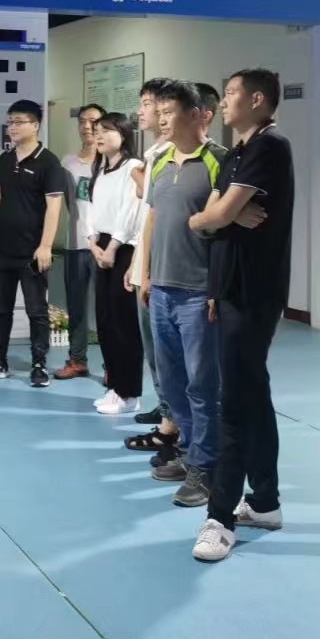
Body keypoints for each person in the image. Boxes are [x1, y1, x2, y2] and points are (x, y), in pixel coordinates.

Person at [190, 69, 294, 564]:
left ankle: (220, 519)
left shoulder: (270, 147)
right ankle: (266, 502)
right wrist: (218, 220)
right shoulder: (236, 154)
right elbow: (213, 215)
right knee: (253, 394)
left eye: (231, 93)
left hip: (255, 292)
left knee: (233, 403)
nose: (225, 101)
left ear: (256, 99)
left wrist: (214, 218)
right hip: (230, 289)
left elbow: (212, 216)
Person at [140, 81, 226, 508]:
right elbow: (153, 219)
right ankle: (191, 451)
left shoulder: (218, 161)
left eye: (169, 112)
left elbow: (226, 231)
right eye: (159, 112)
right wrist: (144, 273)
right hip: (161, 289)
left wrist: (217, 289)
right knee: (172, 384)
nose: (161, 119)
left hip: (197, 292)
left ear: (196, 115)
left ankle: (206, 467)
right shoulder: (160, 161)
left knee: (201, 385)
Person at [0, 100, 65, 389]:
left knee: (36, 311)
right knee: (0, 310)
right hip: (2, 249)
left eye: (19, 121)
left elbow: (54, 207)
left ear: (35, 125)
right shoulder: (5, 159)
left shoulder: (48, 162)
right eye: (10, 122)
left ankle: (39, 364)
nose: (12, 127)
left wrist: (45, 246)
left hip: (32, 251)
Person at [86, 113, 145, 414]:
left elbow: (130, 212)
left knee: (123, 322)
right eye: (97, 130)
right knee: (105, 320)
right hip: (102, 245)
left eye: (107, 130)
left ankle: (129, 392)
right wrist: (92, 242)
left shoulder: (132, 167)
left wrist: (111, 248)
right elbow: (93, 208)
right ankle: (114, 387)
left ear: (124, 134)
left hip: (123, 249)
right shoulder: (100, 169)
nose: (99, 135)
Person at [124, 77, 175, 426]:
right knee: (152, 345)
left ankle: (173, 416)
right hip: (145, 260)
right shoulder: (153, 152)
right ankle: (165, 404)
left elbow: (161, 209)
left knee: (165, 347)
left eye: (147, 104)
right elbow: (146, 216)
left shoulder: (171, 154)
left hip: (162, 266)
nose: (141, 111)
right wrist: (136, 262)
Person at [55, 103, 104, 380]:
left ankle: (113, 366)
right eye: (83, 121)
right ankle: (77, 360)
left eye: (93, 122)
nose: (87, 126)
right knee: (76, 307)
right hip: (75, 245)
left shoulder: (113, 162)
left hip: (105, 247)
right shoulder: (67, 163)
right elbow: (65, 203)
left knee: (107, 310)